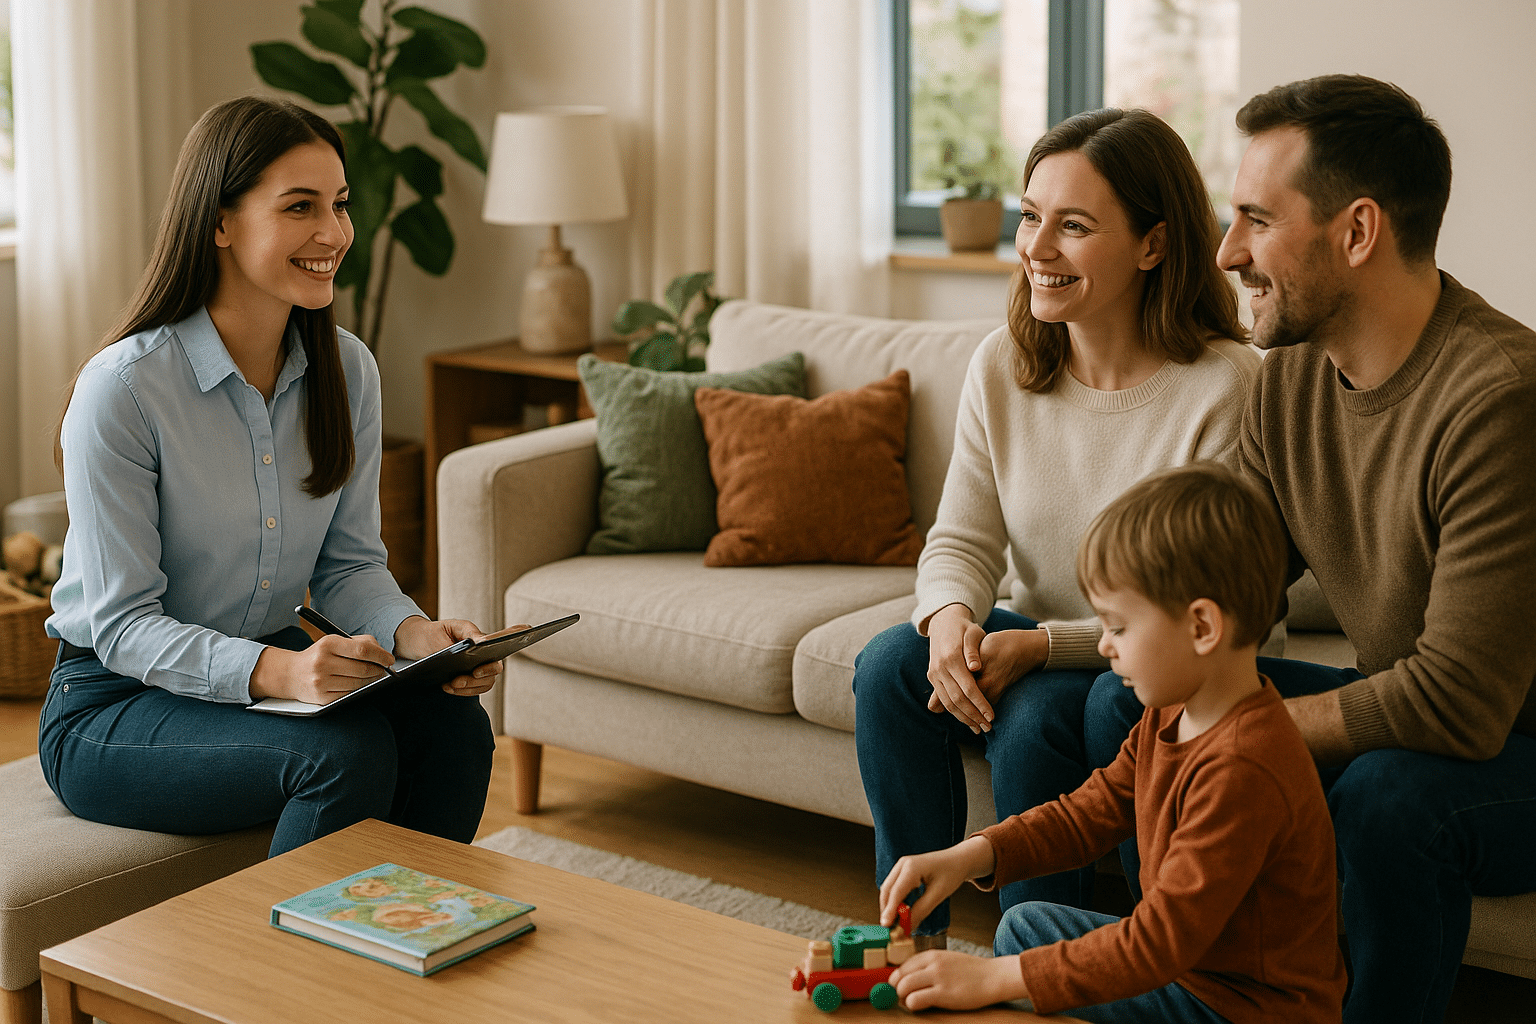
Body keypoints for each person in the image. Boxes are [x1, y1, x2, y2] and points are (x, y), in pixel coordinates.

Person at [1083, 74, 1536, 1022]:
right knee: (1118, 704)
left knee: (1386, 799)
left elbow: (1459, 701)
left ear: (1358, 231)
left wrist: (1229, 746)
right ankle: (1190, 993)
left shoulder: (1498, 398)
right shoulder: (1286, 377)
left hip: (1513, 741)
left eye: (1256, 216)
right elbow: (1211, 585)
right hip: (1433, 712)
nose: (1227, 251)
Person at [40, 96, 500, 858]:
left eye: (341, 206)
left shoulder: (347, 370)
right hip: (113, 702)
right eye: (300, 207)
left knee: (453, 727)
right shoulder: (123, 389)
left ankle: (400, 948)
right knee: (342, 755)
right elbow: (120, 626)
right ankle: (287, 975)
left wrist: (419, 638)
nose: (334, 234)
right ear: (219, 222)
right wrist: (280, 671)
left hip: (268, 658)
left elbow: (348, 565)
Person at [853, 107, 1258, 943]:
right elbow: (962, 539)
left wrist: (1038, 646)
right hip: (1031, 634)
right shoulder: (1004, 362)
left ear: (1153, 244)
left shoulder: (1225, 385)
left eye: (1073, 225)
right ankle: (906, 938)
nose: (1035, 248)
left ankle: (1045, 955)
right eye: (1031, 216)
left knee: (1042, 717)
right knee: (890, 663)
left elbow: (1204, 607)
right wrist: (950, 622)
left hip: (1157, 653)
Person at [879, 464, 1346, 1022]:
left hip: (1245, 1009)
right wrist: (969, 855)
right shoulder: (1170, 714)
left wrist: (991, 978)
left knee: (1014, 966)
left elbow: (1157, 943)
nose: (1104, 646)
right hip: (1195, 976)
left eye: (1118, 627)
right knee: (1025, 929)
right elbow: (1088, 814)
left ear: (1202, 628)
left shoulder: (1246, 766)